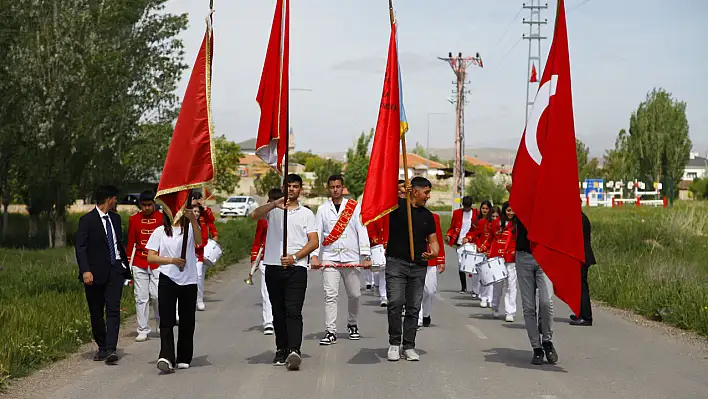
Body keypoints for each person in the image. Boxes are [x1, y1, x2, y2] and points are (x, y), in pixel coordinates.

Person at [251, 174, 319, 371]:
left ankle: (294, 349)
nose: (291, 190)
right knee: (278, 311)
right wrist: (274, 205)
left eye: (295, 186)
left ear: (300, 189)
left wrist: (295, 257)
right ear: (283, 188)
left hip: (296, 268)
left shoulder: (306, 213)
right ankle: (281, 348)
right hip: (273, 266)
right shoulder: (273, 210)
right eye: (288, 186)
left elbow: (313, 242)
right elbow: (254, 215)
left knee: (293, 310)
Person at [75, 185, 132, 364]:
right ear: (109, 199)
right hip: (94, 273)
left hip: (115, 270)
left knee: (114, 310)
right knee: (96, 311)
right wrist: (85, 270)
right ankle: (102, 346)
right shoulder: (87, 220)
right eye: (115, 198)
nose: (116, 202)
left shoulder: (115, 219)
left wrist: (123, 265)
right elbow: (80, 248)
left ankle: (111, 349)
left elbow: (118, 243)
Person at [312, 175, 371, 345]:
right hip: (330, 258)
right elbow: (316, 232)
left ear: (343, 187)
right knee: (330, 295)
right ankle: (330, 331)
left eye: (338, 186)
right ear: (328, 188)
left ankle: (352, 324)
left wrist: (366, 256)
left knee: (354, 294)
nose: (335, 189)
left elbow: (362, 230)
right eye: (332, 187)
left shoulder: (354, 207)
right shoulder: (323, 209)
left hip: (351, 257)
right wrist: (315, 255)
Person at [385, 177, 439, 362]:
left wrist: (434, 253)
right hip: (396, 262)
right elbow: (383, 196)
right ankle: (394, 343)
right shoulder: (396, 208)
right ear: (415, 191)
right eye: (426, 192)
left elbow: (434, 242)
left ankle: (409, 345)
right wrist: (400, 189)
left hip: (418, 265)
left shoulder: (427, 216)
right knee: (395, 302)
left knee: (414, 307)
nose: (428, 196)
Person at [147, 203, 202, 373]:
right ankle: (166, 356)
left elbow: (199, 242)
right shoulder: (160, 231)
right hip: (168, 278)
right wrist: (172, 261)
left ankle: (184, 356)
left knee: (187, 320)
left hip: (189, 279)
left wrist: (193, 220)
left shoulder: (191, 229)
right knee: (166, 319)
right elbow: (151, 257)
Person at [515, 217, 558, 365]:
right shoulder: (521, 199)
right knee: (529, 307)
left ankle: (547, 340)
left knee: (547, 302)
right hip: (523, 256)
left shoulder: (546, 203)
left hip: (544, 253)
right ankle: (537, 348)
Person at [126, 190, 164, 342]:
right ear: (140, 205)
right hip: (139, 262)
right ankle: (142, 328)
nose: (147, 208)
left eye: (150, 205)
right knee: (141, 298)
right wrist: (127, 264)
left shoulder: (162, 219)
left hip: (157, 262)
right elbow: (131, 243)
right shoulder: (134, 219)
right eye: (144, 205)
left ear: (154, 204)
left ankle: (161, 324)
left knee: (157, 295)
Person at [249, 188, 283, 336]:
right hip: (266, 258)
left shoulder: (287, 215)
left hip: (284, 258)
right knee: (266, 292)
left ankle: (279, 320)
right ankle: (268, 322)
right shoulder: (264, 218)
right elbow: (257, 240)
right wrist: (254, 259)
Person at [367, 180, 407, 307]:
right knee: (384, 270)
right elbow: (372, 224)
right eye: (399, 191)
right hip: (384, 243)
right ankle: (384, 295)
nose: (401, 194)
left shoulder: (409, 208)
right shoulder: (383, 208)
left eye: (403, 192)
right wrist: (376, 240)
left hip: (401, 245)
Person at [488, 202, 518, 323]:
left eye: (513, 211)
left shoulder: (517, 224)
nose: (510, 213)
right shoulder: (496, 223)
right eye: (508, 210)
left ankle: (510, 311)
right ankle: (495, 306)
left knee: (511, 285)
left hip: (511, 258)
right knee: (498, 284)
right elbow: (490, 238)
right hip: (497, 258)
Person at [463, 200, 494, 307]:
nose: (484, 210)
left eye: (487, 208)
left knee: (490, 276)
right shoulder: (480, 222)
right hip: (480, 250)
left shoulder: (495, 223)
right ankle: (481, 294)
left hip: (492, 251)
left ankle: (489, 298)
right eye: (483, 208)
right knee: (481, 275)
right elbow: (475, 233)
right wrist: (468, 238)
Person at [191, 191, 218, 312]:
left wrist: (203, 206)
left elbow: (211, 220)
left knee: (199, 276)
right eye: (194, 199)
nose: (197, 201)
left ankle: (199, 299)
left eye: (198, 198)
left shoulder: (203, 214)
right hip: (188, 251)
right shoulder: (188, 214)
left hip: (200, 251)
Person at [418, 212, 446, 329]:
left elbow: (438, 238)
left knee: (430, 290)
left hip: (430, 257)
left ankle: (426, 313)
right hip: (416, 257)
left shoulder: (433, 217)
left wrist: (440, 259)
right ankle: (417, 318)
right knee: (416, 289)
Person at [445, 196, 477, 294]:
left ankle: (475, 289)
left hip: (472, 242)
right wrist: (449, 235)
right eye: (465, 206)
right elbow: (452, 227)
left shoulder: (476, 213)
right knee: (461, 264)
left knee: (474, 265)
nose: (466, 208)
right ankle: (464, 287)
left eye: (468, 206)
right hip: (460, 242)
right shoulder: (457, 213)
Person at [571, 209, 596, 326]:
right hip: (582, 256)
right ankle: (580, 313)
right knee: (579, 287)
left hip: (582, 256)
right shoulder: (580, 217)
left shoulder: (579, 219)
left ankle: (586, 317)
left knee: (582, 287)